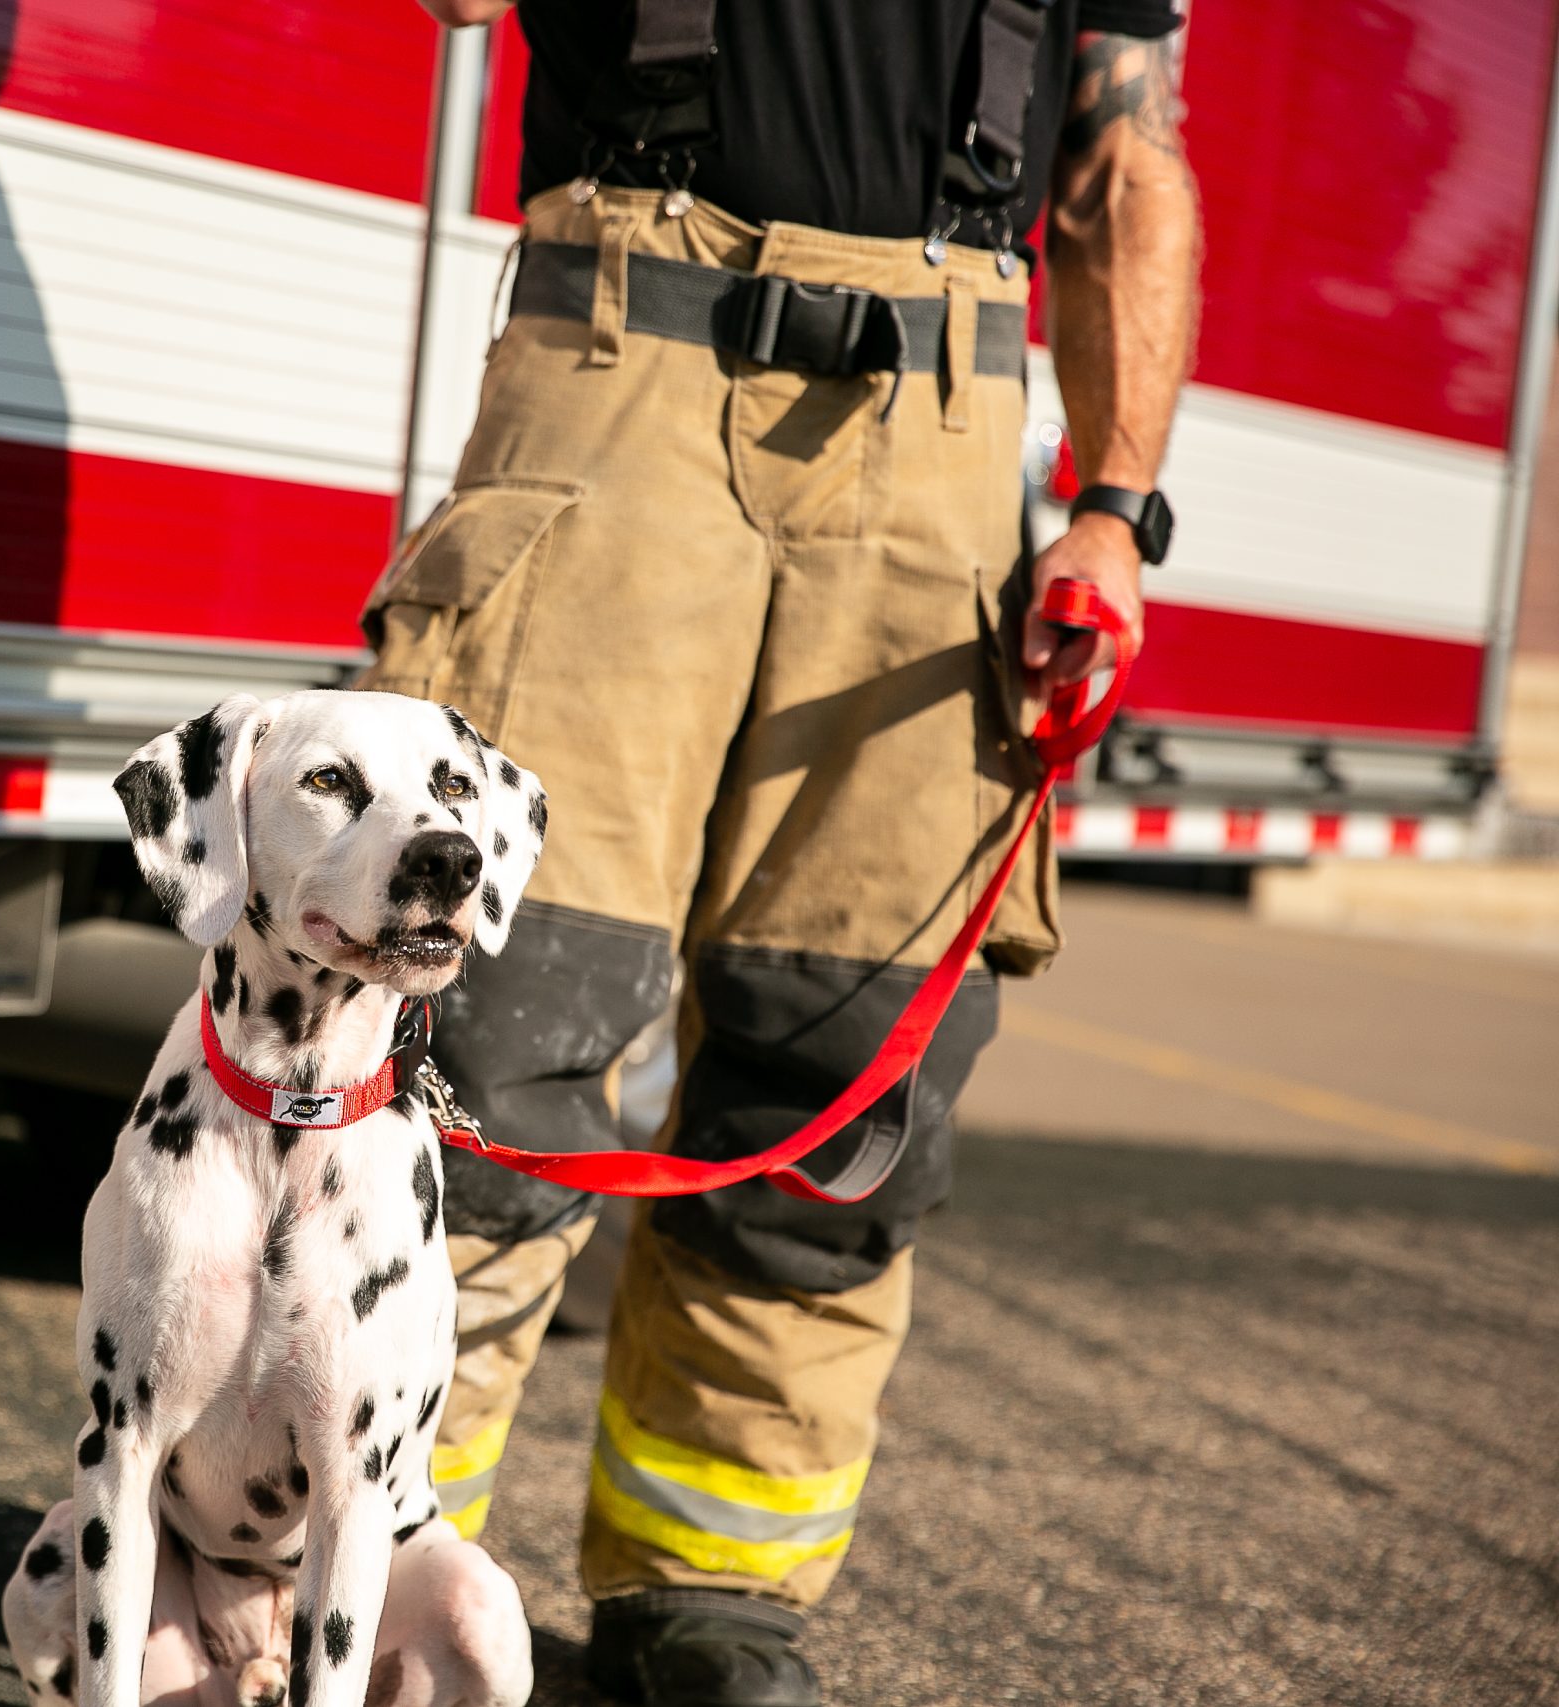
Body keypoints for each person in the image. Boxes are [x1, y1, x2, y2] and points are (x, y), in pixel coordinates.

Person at [366, 2, 1200, 1702]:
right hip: (621, 377)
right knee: (493, 1023)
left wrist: (1114, 509)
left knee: (842, 1076)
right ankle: (365, 1568)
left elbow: (1124, 155)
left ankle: (712, 1593)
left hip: (946, 437)